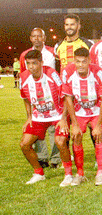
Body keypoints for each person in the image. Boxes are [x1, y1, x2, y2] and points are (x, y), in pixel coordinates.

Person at [18, 50, 73, 186]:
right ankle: (38, 173)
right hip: (39, 117)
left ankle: (68, 175)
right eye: (28, 64)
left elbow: (66, 96)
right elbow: (25, 99)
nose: (31, 67)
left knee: (60, 142)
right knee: (24, 144)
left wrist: (63, 118)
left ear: (41, 63)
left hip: (58, 114)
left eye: (34, 63)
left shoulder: (51, 73)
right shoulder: (24, 77)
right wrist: (29, 117)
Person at [61, 48, 102, 186]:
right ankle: (80, 173)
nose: (81, 64)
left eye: (84, 61)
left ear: (89, 61)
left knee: (98, 135)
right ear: (74, 61)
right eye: (78, 61)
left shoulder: (98, 72)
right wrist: (75, 124)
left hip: (96, 110)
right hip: (79, 111)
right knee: (76, 136)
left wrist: (99, 124)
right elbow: (68, 99)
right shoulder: (67, 72)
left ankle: (100, 172)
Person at [20, 28, 59, 168]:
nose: (36, 38)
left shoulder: (52, 53)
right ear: (30, 38)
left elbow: (57, 72)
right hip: (35, 95)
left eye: (39, 36)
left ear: (44, 38)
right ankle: (42, 157)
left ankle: (55, 158)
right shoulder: (25, 55)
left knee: (54, 130)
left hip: (52, 96)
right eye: (34, 36)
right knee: (37, 127)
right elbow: (24, 76)